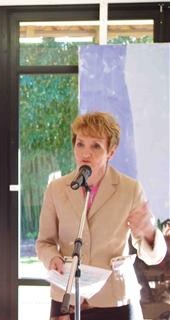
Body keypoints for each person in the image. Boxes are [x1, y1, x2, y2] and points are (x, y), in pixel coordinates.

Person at [36, 112, 167, 320]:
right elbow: (44, 242)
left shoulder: (130, 189)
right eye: (80, 144)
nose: (85, 153)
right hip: (67, 299)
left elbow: (153, 256)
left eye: (95, 146)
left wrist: (150, 233)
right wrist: (52, 257)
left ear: (111, 152)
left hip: (116, 299)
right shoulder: (56, 189)